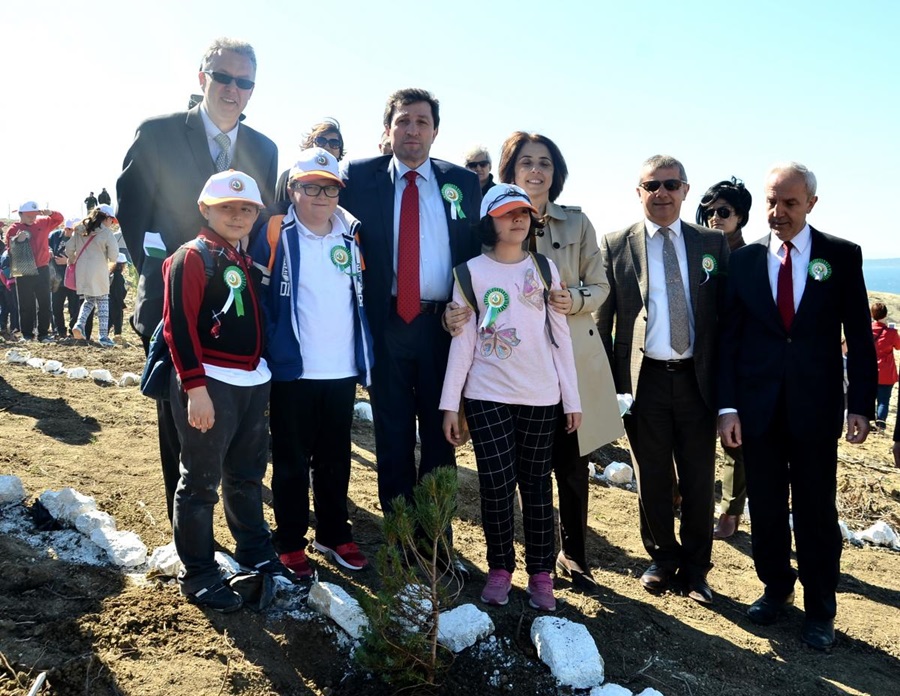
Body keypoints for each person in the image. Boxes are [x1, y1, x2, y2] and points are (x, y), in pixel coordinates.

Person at [117, 36, 277, 524]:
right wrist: (169, 268)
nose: (233, 89)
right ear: (202, 77)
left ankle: (235, 525)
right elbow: (132, 211)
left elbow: (260, 219)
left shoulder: (263, 149)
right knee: (181, 423)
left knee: (233, 424)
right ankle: (185, 534)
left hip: (235, 315)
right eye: (224, 77)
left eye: (244, 81)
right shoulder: (158, 133)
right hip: (174, 300)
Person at [718, 162, 877, 650]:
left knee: (814, 511)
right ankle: (775, 588)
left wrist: (861, 405)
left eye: (789, 202)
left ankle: (820, 607)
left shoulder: (841, 256)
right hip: (757, 410)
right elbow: (728, 340)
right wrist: (727, 408)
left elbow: (859, 336)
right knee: (765, 507)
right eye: (771, 201)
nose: (778, 212)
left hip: (816, 409)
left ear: (811, 203)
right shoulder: (742, 262)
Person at [339, 88, 482, 555]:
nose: (413, 130)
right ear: (388, 129)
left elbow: (476, 253)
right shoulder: (359, 178)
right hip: (387, 322)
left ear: (435, 131)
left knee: (442, 434)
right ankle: (400, 534)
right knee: (393, 431)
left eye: (422, 122)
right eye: (403, 121)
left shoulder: (461, 182)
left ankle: (436, 536)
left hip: (445, 325)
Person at [441, 184, 581, 611]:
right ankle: (500, 567)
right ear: (490, 221)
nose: (517, 219)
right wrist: (451, 403)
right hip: (486, 396)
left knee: (537, 487)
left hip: (542, 396)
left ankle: (541, 573)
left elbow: (560, 337)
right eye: (506, 213)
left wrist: (571, 399)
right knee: (497, 485)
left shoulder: (544, 268)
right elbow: (463, 342)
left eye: (523, 212)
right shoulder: (469, 273)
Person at [597, 155, 729, 606]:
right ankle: (661, 559)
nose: (661, 193)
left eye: (671, 184)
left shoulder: (712, 243)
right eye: (651, 185)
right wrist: (613, 388)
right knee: (651, 476)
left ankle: (696, 571)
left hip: (697, 381)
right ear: (639, 193)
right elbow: (605, 320)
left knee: (697, 479)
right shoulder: (617, 244)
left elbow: (725, 319)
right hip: (644, 382)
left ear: (686, 190)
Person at [493, 131, 623, 590]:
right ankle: (519, 558)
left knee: (570, 462)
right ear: (509, 171)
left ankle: (576, 554)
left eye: (545, 162)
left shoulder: (578, 222)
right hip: (514, 363)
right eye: (525, 162)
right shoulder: (491, 220)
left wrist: (577, 299)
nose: (535, 170)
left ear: (556, 172)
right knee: (518, 465)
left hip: (570, 357)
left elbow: (601, 285)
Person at [164, 170, 295, 612]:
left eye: (246, 208)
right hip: (210, 385)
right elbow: (178, 327)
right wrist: (195, 388)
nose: (237, 215)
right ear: (205, 210)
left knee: (245, 476)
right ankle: (198, 572)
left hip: (250, 382)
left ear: (257, 214)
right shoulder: (192, 257)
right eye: (226, 207)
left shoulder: (241, 258)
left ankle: (255, 549)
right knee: (200, 481)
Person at [248, 148, 374, 578]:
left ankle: (334, 533)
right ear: (292, 189)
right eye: (310, 186)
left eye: (330, 187)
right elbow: (258, 294)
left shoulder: (352, 234)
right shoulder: (275, 233)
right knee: (290, 460)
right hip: (293, 370)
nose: (321, 196)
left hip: (340, 369)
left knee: (336, 457)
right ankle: (289, 539)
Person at [695, 178, 753, 540]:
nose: (714, 218)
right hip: (697, 357)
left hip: (738, 361)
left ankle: (731, 511)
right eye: (708, 211)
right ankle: (687, 495)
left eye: (723, 211)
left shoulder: (751, 259)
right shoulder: (696, 252)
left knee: (734, 441)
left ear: (741, 216)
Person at [3, 202, 64, 342]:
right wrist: (17, 240)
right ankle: (27, 334)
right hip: (24, 271)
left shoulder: (43, 223)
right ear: (21, 214)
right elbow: (10, 249)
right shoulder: (14, 229)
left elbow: (59, 219)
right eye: (29, 216)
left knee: (45, 303)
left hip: (43, 269)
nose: (32, 218)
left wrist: (50, 212)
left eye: (34, 215)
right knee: (26, 304)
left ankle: (43, 334)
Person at [66, 208, 119, 347]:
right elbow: (114, 256)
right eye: (111, 220)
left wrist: (72, 260)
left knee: (88, 300)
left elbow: (69, 248)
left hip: (82, 270)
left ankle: (79, 324)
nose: (112, 223)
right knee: (103, 302)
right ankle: (103, 336)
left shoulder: (79, 230)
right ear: (106, 218)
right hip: (99, 270)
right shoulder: (107, 233)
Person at [275, 118, 345, 205]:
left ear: (340, 150)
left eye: (334, 143)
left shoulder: (345, 181)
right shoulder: (288, 176)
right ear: (310, 144)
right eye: (320, 141)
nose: (327, 146)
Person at [870, 302, 900, 432]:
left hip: (869, 370)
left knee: (869, 396)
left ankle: (867, 421)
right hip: (886, 372)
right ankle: (880, 424)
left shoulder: (868, 329)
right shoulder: (891, 332)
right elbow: (898, 346)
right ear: (886, 314)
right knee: (883, 400)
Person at [109, 253, 128, 343]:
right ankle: (117, 337)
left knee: (109, 320)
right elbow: (118, 293)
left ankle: (106, 335)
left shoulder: (111, 275)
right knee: (117, 320)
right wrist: (122, 304)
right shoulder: (119, 277)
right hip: (116, 303)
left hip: (110, 301)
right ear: (122, 265)